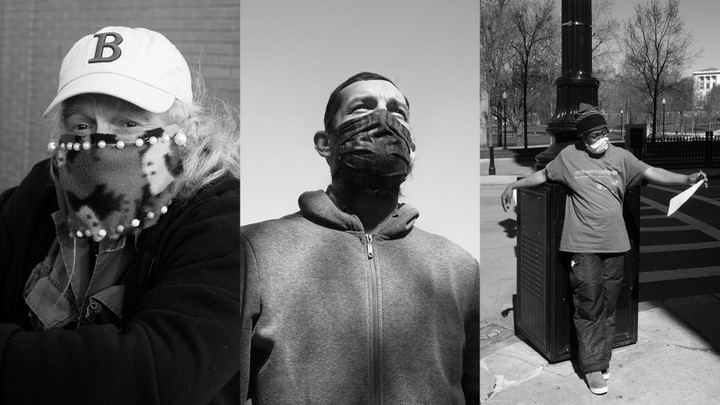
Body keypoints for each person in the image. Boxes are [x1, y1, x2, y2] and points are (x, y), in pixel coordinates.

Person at [0, 27, 240, 403]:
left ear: (188, 130)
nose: (99, 142)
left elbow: (159, 374)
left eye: (129, 124)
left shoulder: (223, 220)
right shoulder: (39, 195)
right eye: (81, 125)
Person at [240, 72, 479, 403]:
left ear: (413, 150)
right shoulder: (255, 254)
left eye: (397, 112)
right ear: (326, 143)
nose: (382, 118)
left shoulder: (459, 268)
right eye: (360, 108)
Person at [500, 104, 708, 396]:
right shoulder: (569, 157)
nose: (600, 138)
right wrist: (514, 184)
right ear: (582, 138)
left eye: (603, 132)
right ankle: (593, 368)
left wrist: (686, 179)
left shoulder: (622, 157)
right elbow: (543, 176)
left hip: (616, 245)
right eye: (593, 134)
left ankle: (602, 356)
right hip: (582, 245)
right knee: (589, 304)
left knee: (608, 307)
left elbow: (652, 172)